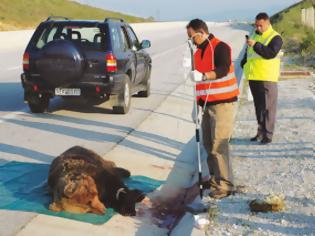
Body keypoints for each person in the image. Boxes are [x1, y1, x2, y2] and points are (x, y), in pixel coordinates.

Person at [186, 19, 239, 199]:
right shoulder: (197, 53)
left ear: (201, 32)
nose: (191, 41)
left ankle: (226, 185)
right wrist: (197, 106)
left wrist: (204, 75)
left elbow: (223, 69)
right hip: (206, 105)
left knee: (219, 144)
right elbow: (199, 84)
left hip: (223, 104)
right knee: (208, 145)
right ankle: (216, 179)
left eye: (192, 37)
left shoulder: (220, 47)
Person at [241, 12, 283, 144]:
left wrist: (255, 45)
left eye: (261, 25)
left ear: (268, 23)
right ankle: (260, 132)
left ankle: (268, 135)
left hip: (267, 78)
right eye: (256, 25)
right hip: (253, 77)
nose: (258, 28)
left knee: (268, 108)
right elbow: (248, 54)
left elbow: (270, 53)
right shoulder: (253, 35)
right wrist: (244, 63)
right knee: (258, 107)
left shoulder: (275, 37)